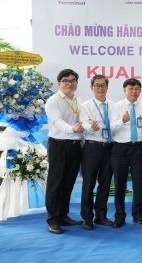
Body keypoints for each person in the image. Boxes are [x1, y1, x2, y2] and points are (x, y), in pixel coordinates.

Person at [110, 78, 142, 228]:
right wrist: (121, 121)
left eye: (137, 89)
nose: (134, 92)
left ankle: (138, 215)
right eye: (131, 89)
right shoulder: (116, 107)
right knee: (120, 184)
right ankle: (119, 216)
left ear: (140, 91)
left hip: (139, 148)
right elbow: (110, 129)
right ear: (125, 90)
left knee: (138, 184)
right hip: (120, 149)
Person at [44, 69, 84, 234]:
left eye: (73, 80)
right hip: (59, 145)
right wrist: (73, 128)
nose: (69, 83)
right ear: (59, 83)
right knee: (55, 183)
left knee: (68, 183)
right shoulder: (53, 101)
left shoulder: (78, 100)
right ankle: (53, 220)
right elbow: (58, 122)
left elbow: (84, 120)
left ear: (76, 83)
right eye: (65, 80)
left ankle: (63, 215)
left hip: (75, 145)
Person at [79, 75, 114, 230]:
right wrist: (89, 127)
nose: (100, 88)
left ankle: (101, 216)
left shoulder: (114, 105)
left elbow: (117, 124)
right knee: (89, 184)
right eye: (97, 85)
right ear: (92, 87)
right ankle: (87, 218)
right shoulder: (86, 105)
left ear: (107, 87)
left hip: (109, 148)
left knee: (105, 183)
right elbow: (83, 123)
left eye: (103, 85)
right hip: (91, 148)